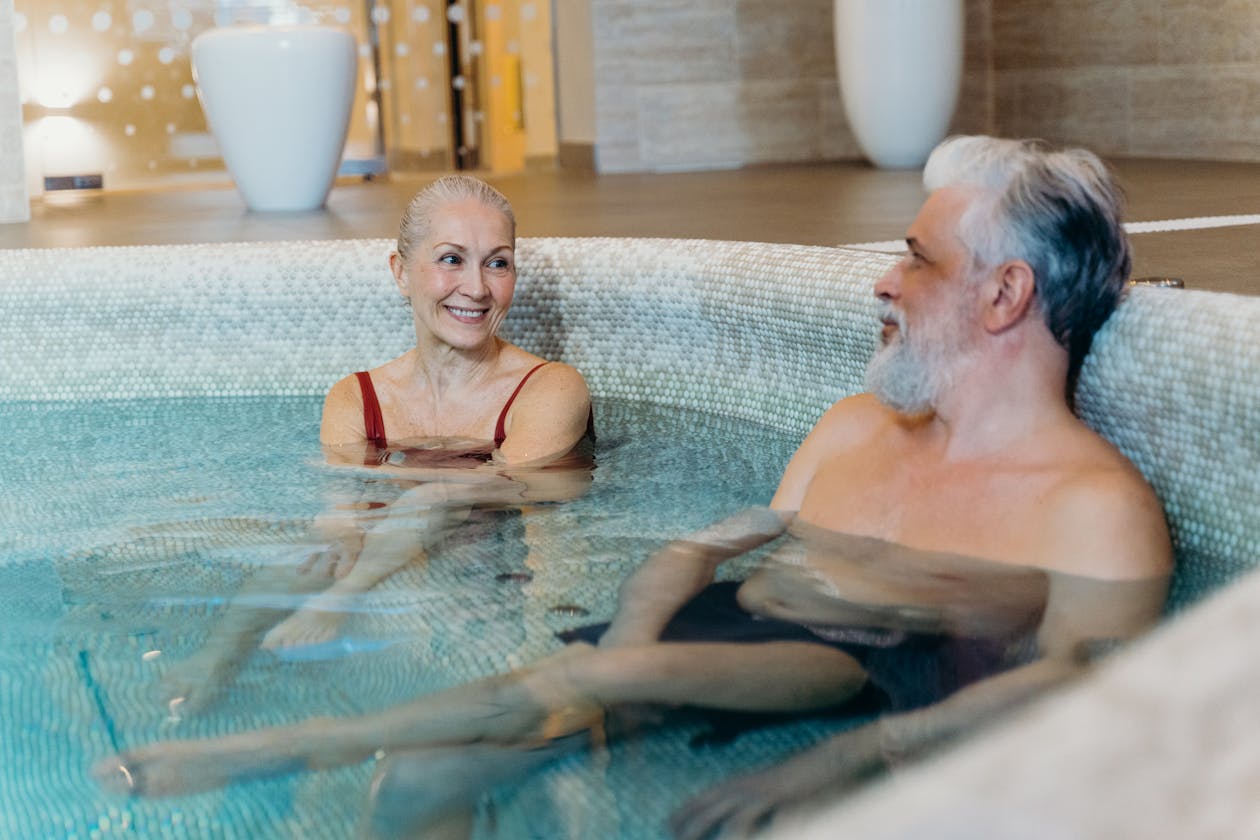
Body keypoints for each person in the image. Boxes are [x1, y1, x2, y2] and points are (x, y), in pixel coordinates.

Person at [94, 136, 1172, 839]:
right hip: (707, 631)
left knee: (552, 701)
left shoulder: (1092, 507)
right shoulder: (855, 426)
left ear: (1006, 294)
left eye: (916, 257)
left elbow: (1086, 680)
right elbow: (707, 542)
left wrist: (858, 757)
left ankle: (261, 751)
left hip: (852, 676)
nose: (883, 279)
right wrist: (622, 652)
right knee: (424, 772)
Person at [157, 174, 595, 713]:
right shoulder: (354, 399)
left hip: (504, 581)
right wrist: (337, 548)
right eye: (451, 259)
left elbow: (511, 509)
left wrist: (342, 598)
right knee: (318, 548)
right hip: (400, 571)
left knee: (442, 494)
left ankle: (335, 622)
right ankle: (215, 660)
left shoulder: (552, 388)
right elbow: (343, 522)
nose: (477, 288)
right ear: (400, 273)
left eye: (497, 262)